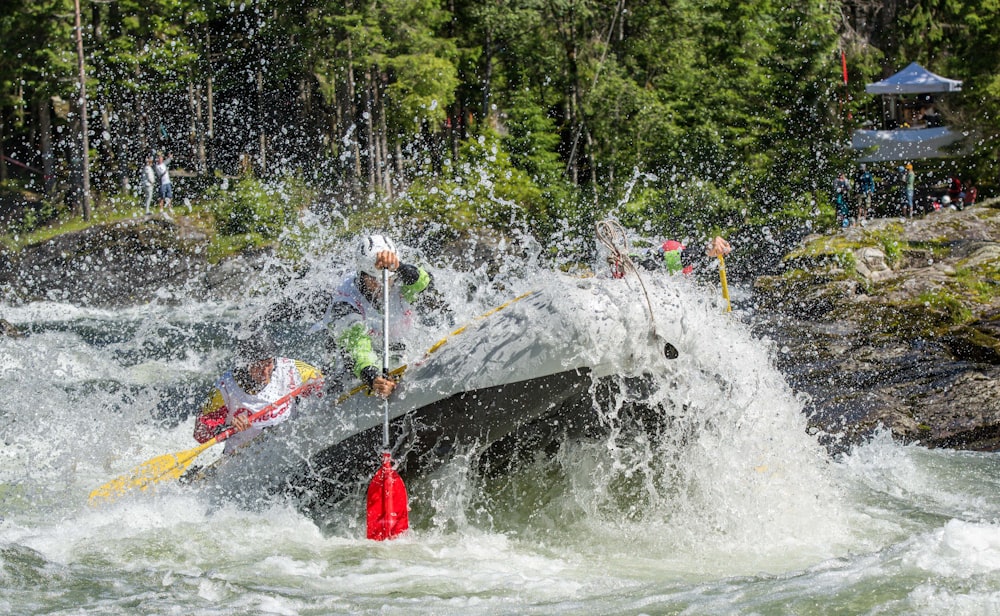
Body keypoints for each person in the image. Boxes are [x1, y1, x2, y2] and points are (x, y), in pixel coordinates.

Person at [320, 234, 442, 399]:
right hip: (349, 363)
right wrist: (373, 377)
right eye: (374, 280)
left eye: (387, 279)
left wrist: (400, 268)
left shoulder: (398, 280)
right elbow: (357, 349)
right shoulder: (345, 304)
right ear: (362, 275)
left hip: (394, 350)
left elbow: (425, 282)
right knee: (349, 364)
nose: (382, 285)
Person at [192, 336, 324, 454]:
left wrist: (312, 389)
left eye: (268, 364)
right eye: (258, 366)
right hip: (245, 457)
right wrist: (228, 426)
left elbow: (322, 388)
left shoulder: (291, 369)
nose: (266, 372)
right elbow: (201, 435)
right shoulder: (223, 391)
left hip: (289, 447)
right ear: (245, 365)